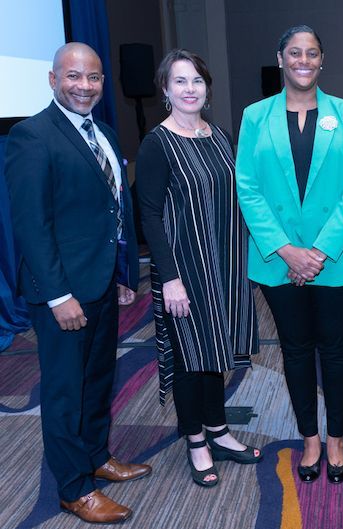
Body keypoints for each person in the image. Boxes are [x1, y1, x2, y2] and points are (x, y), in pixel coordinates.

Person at [4, 43, 150, 524]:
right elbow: (31, 224)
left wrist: (122, 275)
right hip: (62, 292)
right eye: (73, 77)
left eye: (93, 78)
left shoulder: (104, 132)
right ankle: (73, 488)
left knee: (97, 380)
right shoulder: (31, 137)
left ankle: (95, 457)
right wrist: (57, 294)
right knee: (66, 391)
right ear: (52, 80)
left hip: (102, 284)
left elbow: (113, 211)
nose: (84, 86)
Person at [236, 25, 343, 484]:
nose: (303, 60)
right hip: (277, 258)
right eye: (294, 52)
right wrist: (288, 251)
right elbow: (247, 188)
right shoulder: (255, 116)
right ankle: (309, 439)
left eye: (312, 53)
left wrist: (316, 252)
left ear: (322, 60)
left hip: (336, 258)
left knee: (335, 350)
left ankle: (336, 438)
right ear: (280, 58)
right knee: (294, 351)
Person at [135, 49, 261, 489]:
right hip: (183, 272)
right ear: (165, 90)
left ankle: (220, 430)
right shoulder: (157, 143)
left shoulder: (219, 135)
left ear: (207, 89)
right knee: (190, 358)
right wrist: (169, 277)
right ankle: (196, 442)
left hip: (224, 267)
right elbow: (149, 215)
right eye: (180, 82)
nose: (190, 90)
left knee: (215, 355)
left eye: (197, 82)